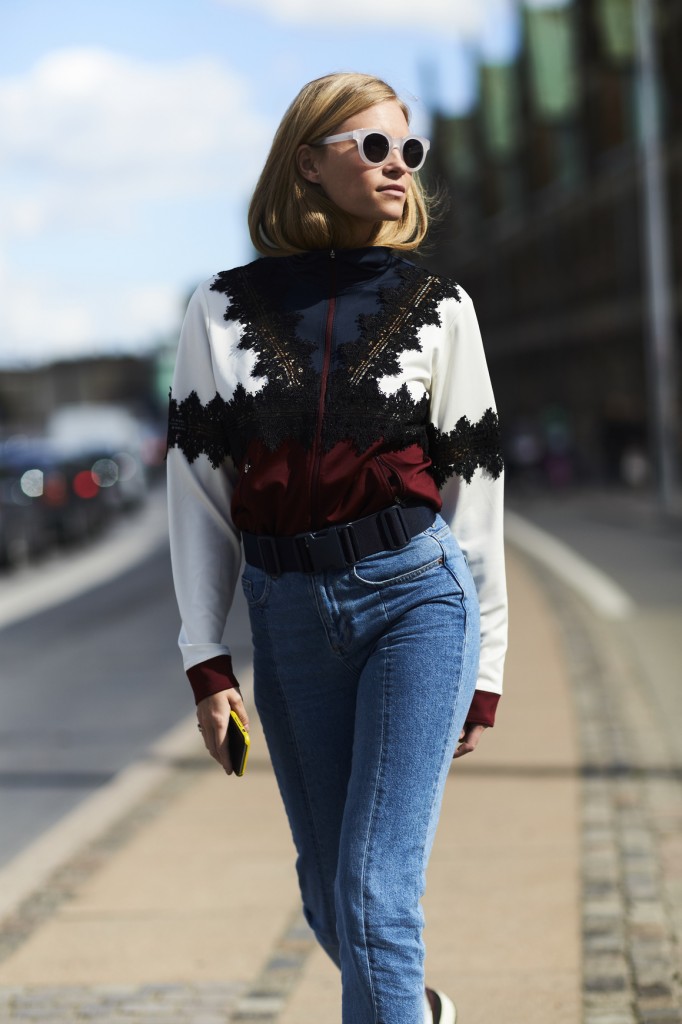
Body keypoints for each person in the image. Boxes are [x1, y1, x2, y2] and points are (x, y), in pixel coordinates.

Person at [166, 71, 507, 1024]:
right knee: (331, 897)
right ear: (307, 162)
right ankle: (419, 1012)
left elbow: (477, 492)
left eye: (410, 151)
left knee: (374, 894)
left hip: (416, 599)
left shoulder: (442, 307)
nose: (398, 167)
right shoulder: (219, 311)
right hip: (285, 617)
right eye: (372, 146)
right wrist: (205, 659)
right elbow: (198, 495)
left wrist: (489, 664)